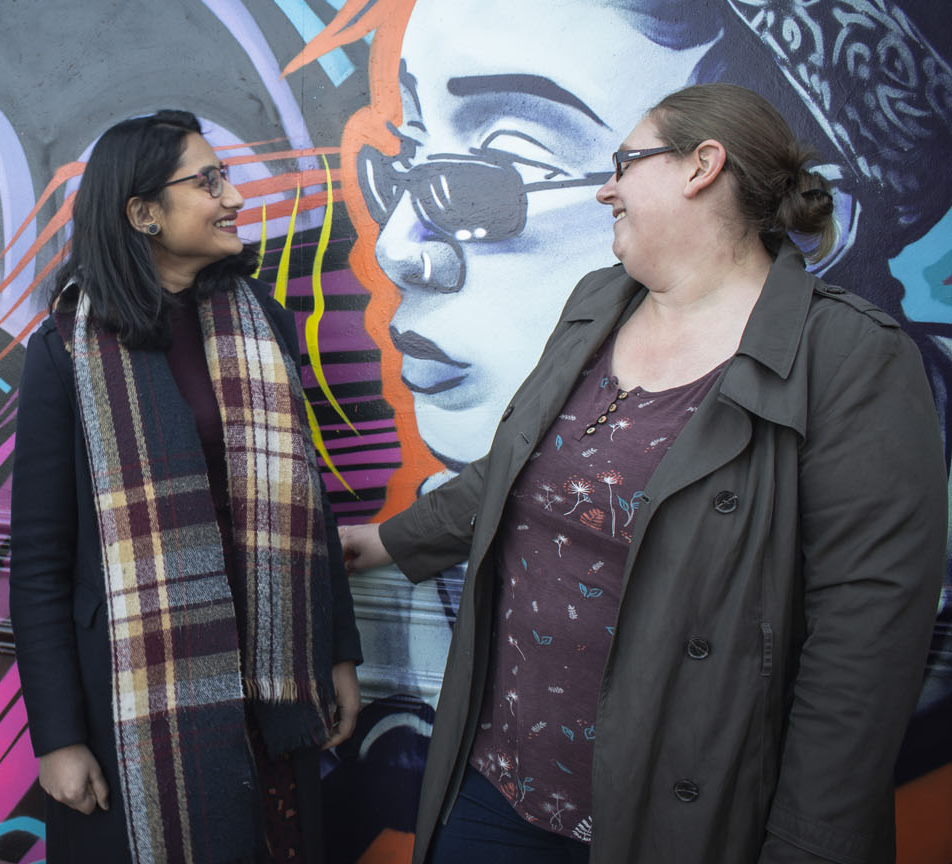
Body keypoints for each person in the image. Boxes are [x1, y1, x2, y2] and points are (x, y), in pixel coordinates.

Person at [339, 83, 946, 864]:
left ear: (702, 165)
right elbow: (519, 471)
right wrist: (385, 540)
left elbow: (863, 649)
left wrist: (806, 846)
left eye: (625, 162)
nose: (605, 187)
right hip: (496, 785)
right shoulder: (600, 302)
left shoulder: (851, 356)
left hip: (676, 820)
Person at [10, 109, 362, 863]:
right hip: (136, 695)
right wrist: (58, 738)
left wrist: (336, 655)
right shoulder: (67, 351)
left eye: (225, 177)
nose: (233, 197)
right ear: (142, 213)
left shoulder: (259, 322)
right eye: (208, 182)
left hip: (270, 679)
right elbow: (39, 563)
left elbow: (309, 506)